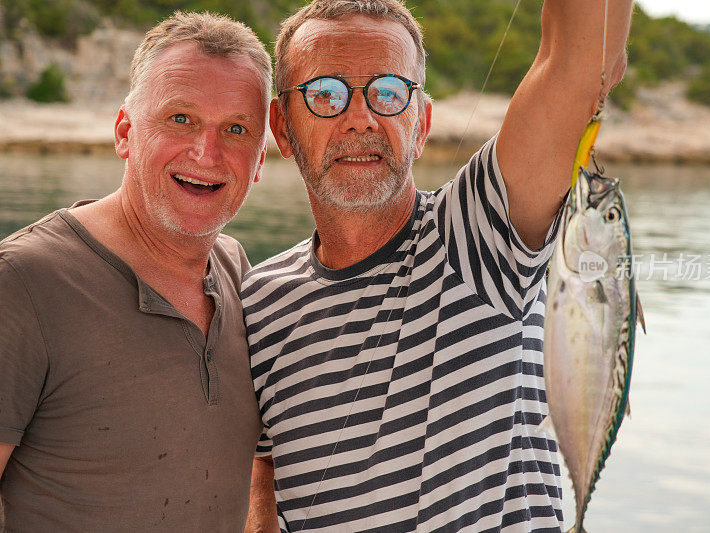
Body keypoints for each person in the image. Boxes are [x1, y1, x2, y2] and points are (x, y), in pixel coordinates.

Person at [242, 0, 632, 530]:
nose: (360, 119)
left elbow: (579, 62)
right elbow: (260, 463)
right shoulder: (257, 300)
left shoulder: (478, 239)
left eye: (388, 92)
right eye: (326, 94)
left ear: (421, 123)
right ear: (282, 129)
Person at [0, 12, 271, 531]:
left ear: (260, 159)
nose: (205, 152)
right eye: (180, 119)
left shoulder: (238, 272)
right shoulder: (24, 282)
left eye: (236, 129)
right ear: (125, 132)